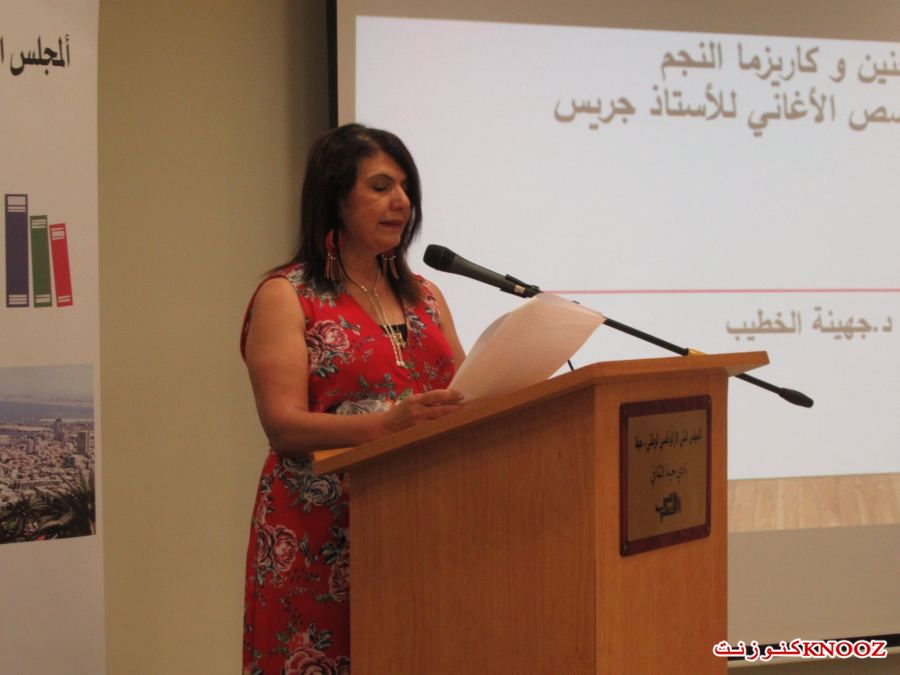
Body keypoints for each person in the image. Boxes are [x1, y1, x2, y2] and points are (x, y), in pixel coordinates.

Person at [240, 123, 465, 674]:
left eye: (406, 187)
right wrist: (383, 427)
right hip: (320, 534)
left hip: (421, 523)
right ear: (334, 199)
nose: (402, 201)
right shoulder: (288, 295)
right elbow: (283, 425)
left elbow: (465, 390)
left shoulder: (426, 295)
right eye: (381, 187)